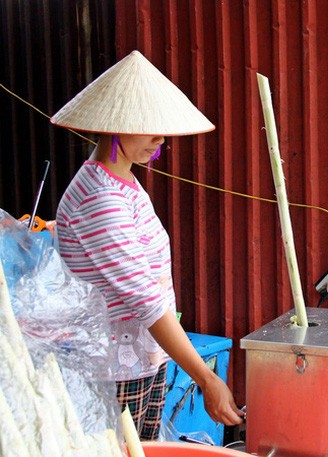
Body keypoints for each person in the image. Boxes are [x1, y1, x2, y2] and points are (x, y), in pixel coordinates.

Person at [51, 50, 243, 440]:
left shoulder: (124, 181)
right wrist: (206, 379)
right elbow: (145, 299)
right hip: (111, 369)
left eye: (161, 128)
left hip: (140, 360)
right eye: (147, 127)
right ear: (114, 127)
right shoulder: (99, 198)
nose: (159, 138)